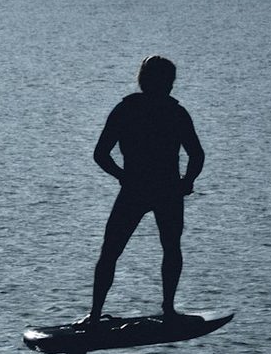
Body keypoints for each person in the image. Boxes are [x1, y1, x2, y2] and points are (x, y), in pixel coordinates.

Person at [82, 55, 204, 324]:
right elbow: (196, 155)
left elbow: (101, 154)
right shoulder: (162, 112)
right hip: (159, 189)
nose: (169, 86)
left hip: (144, 189)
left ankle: (96, 314)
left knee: (117, 250)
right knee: (156, 248)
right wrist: (186, 182)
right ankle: (165, 310)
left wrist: (123, 177)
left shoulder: (137, 110)